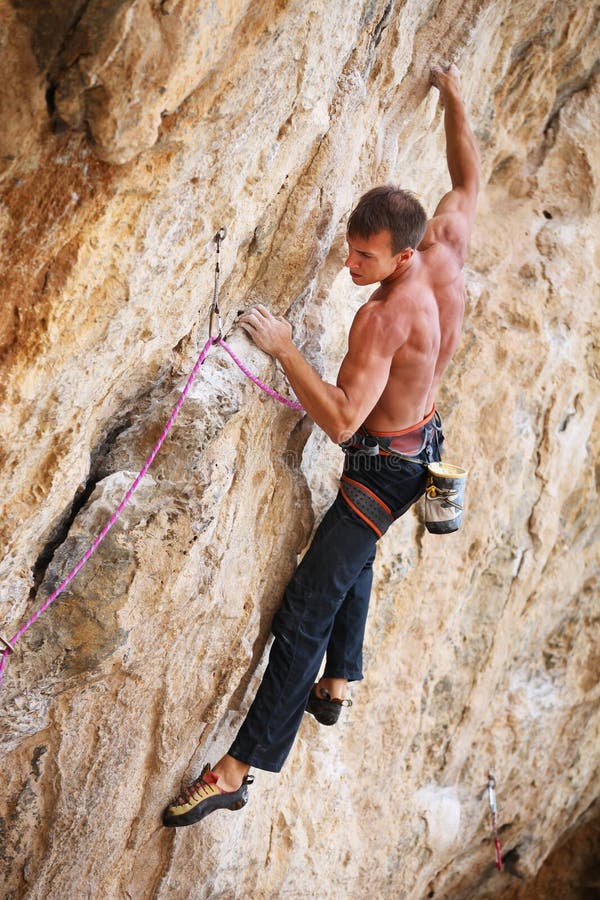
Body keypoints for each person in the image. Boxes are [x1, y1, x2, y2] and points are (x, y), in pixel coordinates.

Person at [163, 62, 480, 827]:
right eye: (350, 248)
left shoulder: (385, 318)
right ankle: (337, 683)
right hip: (422, 437)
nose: (350, 266)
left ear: (402, 257)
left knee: (306, 604)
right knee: (354, 555)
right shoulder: (446, 246)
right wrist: (454, 96)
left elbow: (340, 420)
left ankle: (238, 769)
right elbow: (468, 176)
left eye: (364, 259)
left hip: (382, 469)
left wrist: (282, 349)